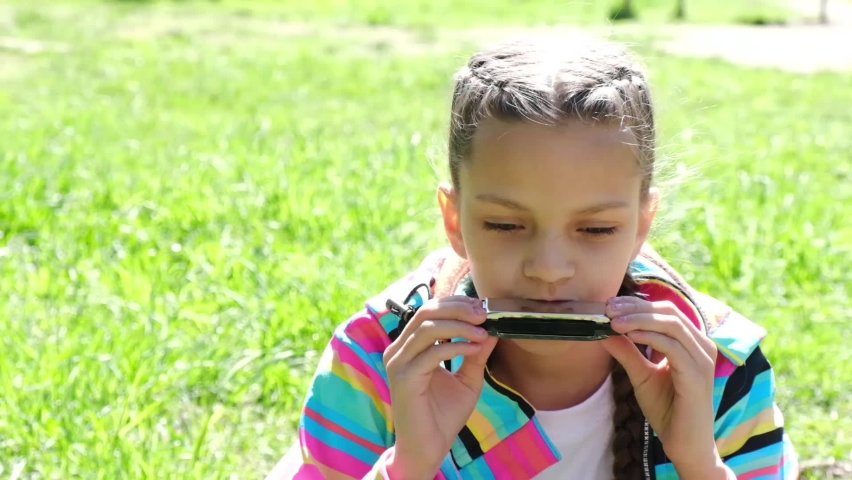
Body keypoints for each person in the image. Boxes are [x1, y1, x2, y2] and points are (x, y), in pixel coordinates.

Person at [267, 32, 798, 480]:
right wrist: (409, 464)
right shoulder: (382, 359)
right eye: (504, 224)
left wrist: (700, 464)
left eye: (595, 228)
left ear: (641, 226)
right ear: (454, 220)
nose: (548, 268)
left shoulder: (720, 368)